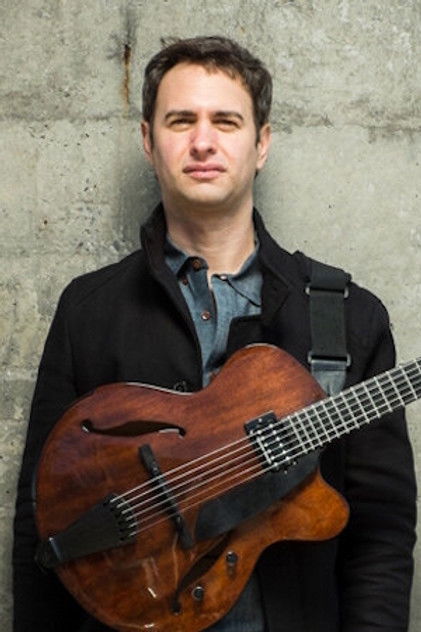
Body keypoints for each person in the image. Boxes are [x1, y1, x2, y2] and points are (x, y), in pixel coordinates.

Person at [13, 36, 416, 632]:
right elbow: (42, 526)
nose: (203, 141)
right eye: (181, 121)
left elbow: (381, 529)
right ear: (149, 141)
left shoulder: (350, 316)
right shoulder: (88, 310)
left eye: (226, 121)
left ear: (262, 144)